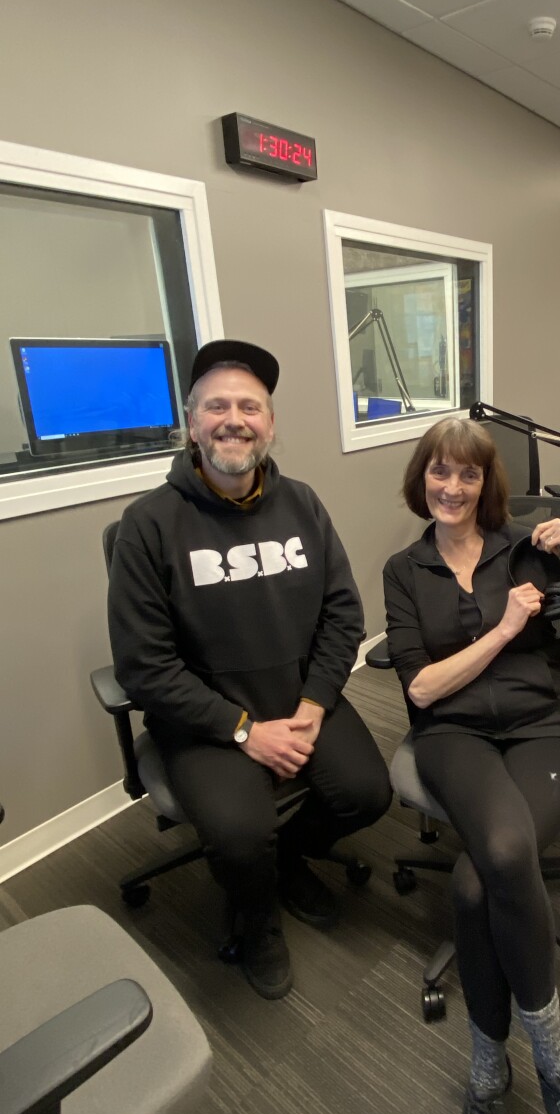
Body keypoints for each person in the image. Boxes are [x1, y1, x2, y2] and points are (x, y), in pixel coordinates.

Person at [383, 418, 560, 1114]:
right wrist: (501, 629)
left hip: (547, 730)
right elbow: (423, 687)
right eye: (439, 472)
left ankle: (503, 1072)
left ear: (487, 484)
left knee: (474, 879)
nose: (451, 488)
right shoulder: (404, 571)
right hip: (453, 733)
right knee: (497, 850)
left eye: (467, 475)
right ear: (421, 478)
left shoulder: (529, 548)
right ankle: (552, 1065)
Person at [108, 339, 391, 1000]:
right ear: (190, 421)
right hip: (208, 722)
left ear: (270, 423)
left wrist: (315, 703)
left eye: (250, 406)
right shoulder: (147, 526)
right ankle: (255, 915)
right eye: (217, 405)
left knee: (367, 794)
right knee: (239, 836)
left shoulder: (304, 505)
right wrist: (243, 730)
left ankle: (286, 861)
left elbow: (344, 616)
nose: (233, 418)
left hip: (299, 701)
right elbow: (143, 666)